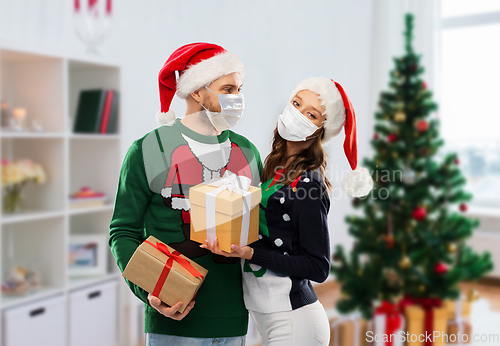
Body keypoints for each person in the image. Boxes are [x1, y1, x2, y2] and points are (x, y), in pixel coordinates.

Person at [109, 42, 262, 346]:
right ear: (197, 91)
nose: (237, 98)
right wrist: (150, 293)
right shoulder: (149, 149)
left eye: (239, 89)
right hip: (172, 326)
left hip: (233, 321)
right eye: (228, 88)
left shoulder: (247, 151)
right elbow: (123, 232)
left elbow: (259, 229)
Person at [202, 77, 370, 346]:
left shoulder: (309, 184)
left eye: (311, 114)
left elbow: (318, 266)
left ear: (320, 130)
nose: (298, 114)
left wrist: (251, 253)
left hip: (294, 319)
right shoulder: (273, 169)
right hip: (269, 315)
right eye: (296, 104)